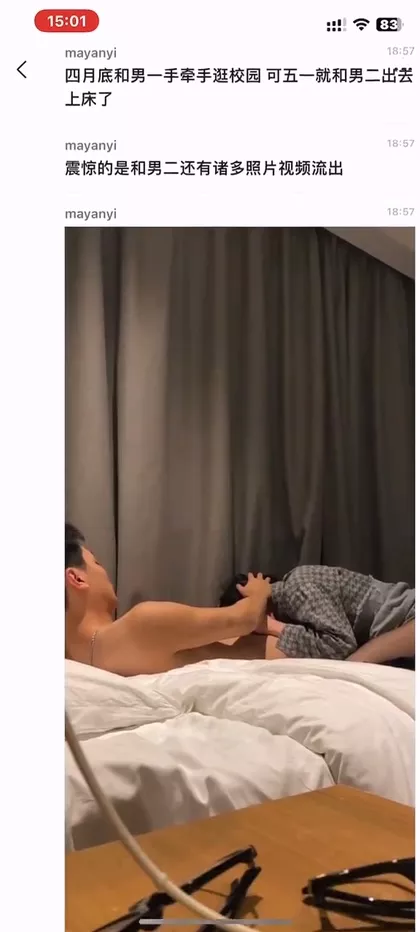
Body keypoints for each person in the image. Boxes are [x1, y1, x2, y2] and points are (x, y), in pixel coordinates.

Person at [65, 524, 283, 675]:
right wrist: (260, 590)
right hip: (286, 654)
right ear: (76, 578)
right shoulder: (141, 623)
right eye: (96, 563)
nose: (105, 572)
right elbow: (245, 619)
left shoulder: (72, 659)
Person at [220, 567, 415, 666]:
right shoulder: (293, 604)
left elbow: (340, 646)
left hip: (410, 619)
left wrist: (270, 626)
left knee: (349, 670)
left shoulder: (296, 588)